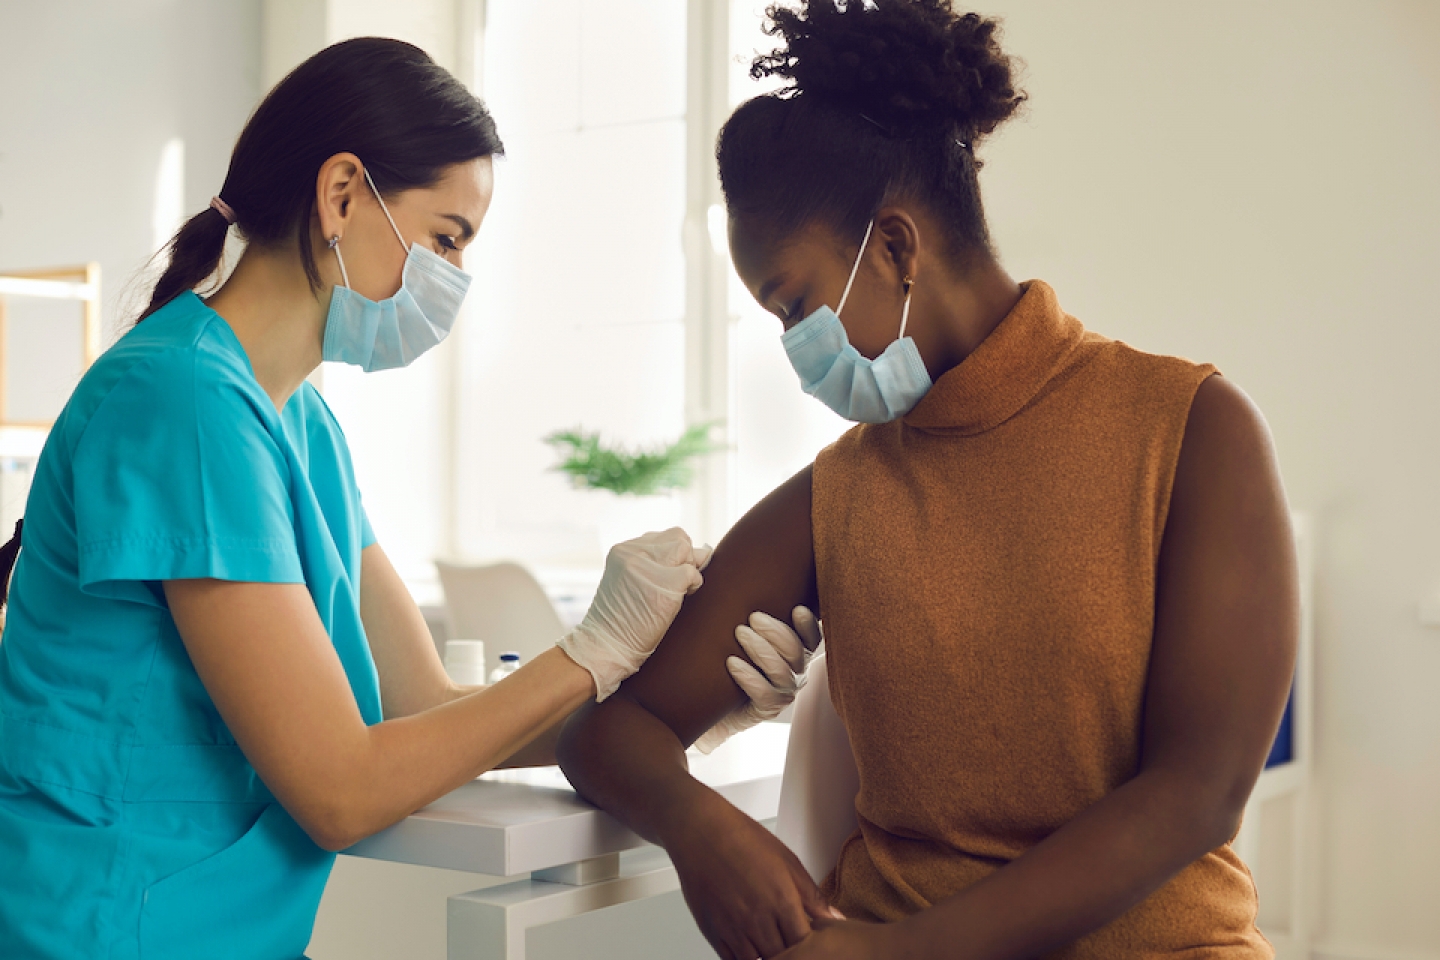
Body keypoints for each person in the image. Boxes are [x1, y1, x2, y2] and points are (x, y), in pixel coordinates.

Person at [0, 38, 811, 960]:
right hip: (105, 928)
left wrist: (680, 707)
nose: (455, 280)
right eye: (446, 238)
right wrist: (590, 651)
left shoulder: (297, 423)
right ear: (342, 194)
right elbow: (340, 789)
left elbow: (416, 703)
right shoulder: (183, 402)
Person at [556, 2, 1299, 959]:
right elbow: (610, 735)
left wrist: (903, 954)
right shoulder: (838, 496)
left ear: (899, 248)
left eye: (796, 305)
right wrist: (701, 828)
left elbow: (1196, 795)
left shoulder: (1193, 430)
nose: (794, 349)